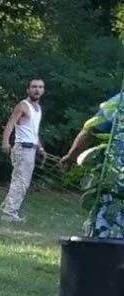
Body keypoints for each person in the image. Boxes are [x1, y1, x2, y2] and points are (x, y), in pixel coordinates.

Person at [60, 91, 124, 238]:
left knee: (107, 223)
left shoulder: (120, 101)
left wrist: (71, 156)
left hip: (116, 177)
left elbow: (90, 130)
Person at [0, 79, 47, 222]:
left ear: (43, 90)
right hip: (22, 149)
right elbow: (10, 124)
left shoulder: (38, 109)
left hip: (30, 149)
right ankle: (9, 213)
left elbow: (33, 132)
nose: (37, 90)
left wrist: (40, 148)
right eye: (34, 87)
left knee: (21, 181)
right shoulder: (23, 106)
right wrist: (5, 142)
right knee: (20, 183)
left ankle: (6, 209)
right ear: (28, 90)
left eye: (40, 87)